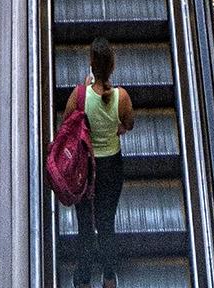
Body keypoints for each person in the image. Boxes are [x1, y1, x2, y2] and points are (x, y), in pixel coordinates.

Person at [63, 37, 132, 288]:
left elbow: (66, 126)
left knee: (85, 224)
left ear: (91, 64)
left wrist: (84, 98)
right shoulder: (121, 97)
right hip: (111, 167)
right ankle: (109, 276)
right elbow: (128, 124)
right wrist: (116, 128)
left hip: (85, 168)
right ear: (112, 66)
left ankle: (82, 278)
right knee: (106, 222)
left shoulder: (79, 95)